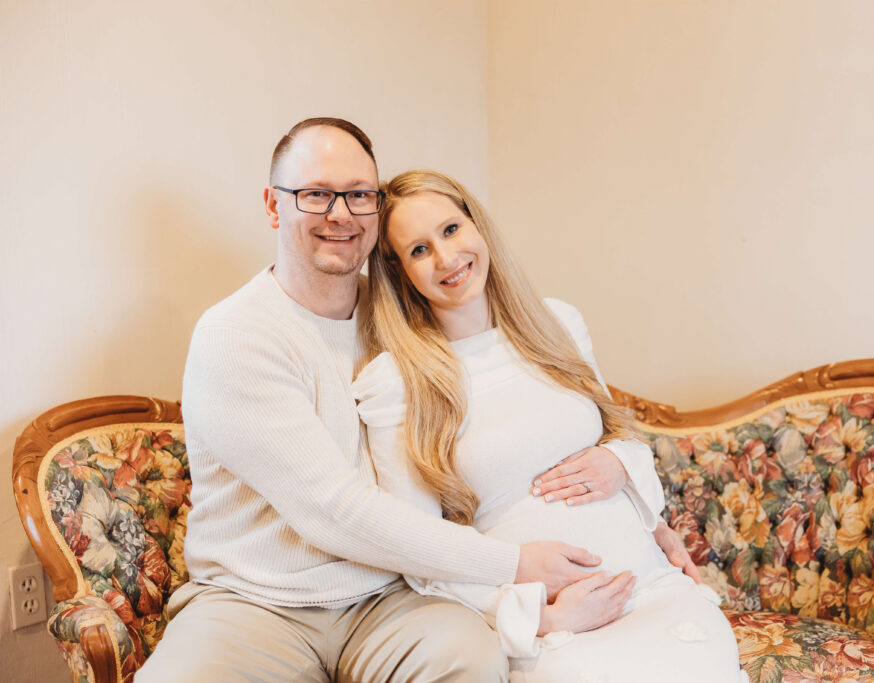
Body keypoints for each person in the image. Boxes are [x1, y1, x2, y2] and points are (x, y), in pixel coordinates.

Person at [138, 118, 628, 683]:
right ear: (274, 207)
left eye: (359, 195)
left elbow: (515, 421)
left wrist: (630, 496)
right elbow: (333, 511)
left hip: (391, 598)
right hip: (255, 603)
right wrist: (513, 565)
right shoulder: (237, 335)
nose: (340, 214)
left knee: (472, 658)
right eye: (316, 194)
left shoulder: (408, 317)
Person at [352, 170, 747, 682]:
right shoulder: (396, 384)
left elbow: (620, 436)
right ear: (399, 271)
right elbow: (419, 550)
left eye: (451, 230)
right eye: (420, 250)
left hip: (652, 591)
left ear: (478, 226)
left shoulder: (557, 324)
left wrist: (619, 466)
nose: (447, 258)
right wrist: (540, 617)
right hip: (556, 630)